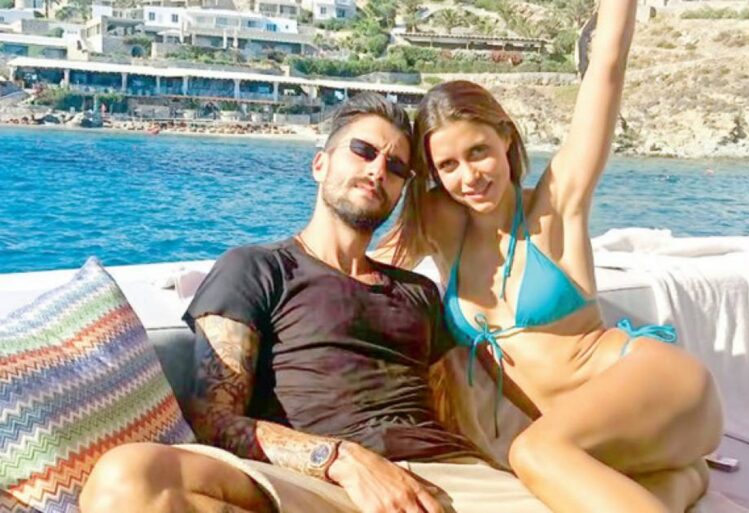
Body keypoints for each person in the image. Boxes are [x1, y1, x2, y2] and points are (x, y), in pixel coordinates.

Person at [79, 92, 553, 513]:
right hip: (314, 483)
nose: (377, 170)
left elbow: (472, 410)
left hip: (447, 478)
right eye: (363, 151)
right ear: (320, 165)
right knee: (128, 480)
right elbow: (214, 420)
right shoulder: (257, 268)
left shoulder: (418, 292)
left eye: (395, 168)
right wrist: (341, 460)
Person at [375, 1, 724, 512]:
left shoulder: (555, 206)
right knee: (555, 463)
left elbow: (606, 67)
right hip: (593, 441)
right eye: (447, 165)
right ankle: (682, 480)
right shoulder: (439, 224)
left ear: (506, 139)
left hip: (655, 386)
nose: (469, 177)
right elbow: (353, 264)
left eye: (478, 152)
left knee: (533, 453)